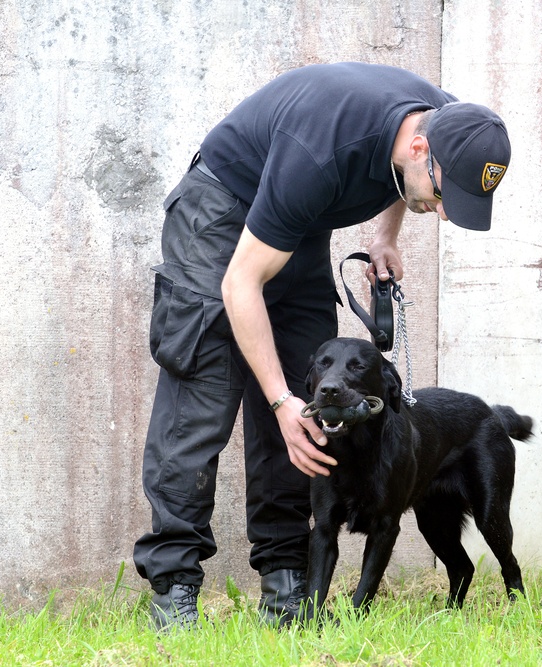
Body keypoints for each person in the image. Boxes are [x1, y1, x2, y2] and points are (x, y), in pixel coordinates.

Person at [132, 62, 511, 631]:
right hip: (222, 211)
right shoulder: (319, 153)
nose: (446, 208)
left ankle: (287, 581)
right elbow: (241, 284)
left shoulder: (447, 121)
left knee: (315, 403)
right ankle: (175, 588)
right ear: (419, 146)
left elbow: (404, 177)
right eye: (444, 191)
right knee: (205, 400)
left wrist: (385, 235)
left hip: (298, 223)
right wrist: (280, 401)